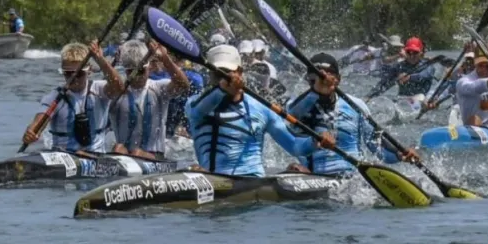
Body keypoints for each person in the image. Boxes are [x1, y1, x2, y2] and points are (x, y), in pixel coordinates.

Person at [186, 45, 330, 176]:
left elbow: (293, 145)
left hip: (252, 182)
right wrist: (221, 90)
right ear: (210, 75)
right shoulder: (194, 103)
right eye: (218, 75)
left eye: (228, 73)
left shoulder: (261, 108)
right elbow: (197, 111)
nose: (224, 79)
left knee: (294, 167)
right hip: (211, 181)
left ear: (240, 73)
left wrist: (315, 141)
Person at [286, 53, 418, 175]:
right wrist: (314, 141)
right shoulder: (298, 106)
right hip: (315, 177)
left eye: (328, 76)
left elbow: (377, 146)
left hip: (352, 179)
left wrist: (400, 154)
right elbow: (295, 146)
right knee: (293, 168)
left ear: (338, 79)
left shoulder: (356, 105)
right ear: (308, 80)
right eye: (315, 79)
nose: (322, 81)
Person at [23, 41, 123, 152]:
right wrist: (30, 133)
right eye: (68, 73)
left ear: (89, 70)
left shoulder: (99, 90)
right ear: (62, 71)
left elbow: (119, 87)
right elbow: (37, 124)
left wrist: (100, 59)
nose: (73, 78)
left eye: (78, 74)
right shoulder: (54, 97)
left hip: (96, 156)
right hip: (63, 156)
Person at [109, 40, 190, 159]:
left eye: (141, 71)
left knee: (136, 152)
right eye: (131, 71)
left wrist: (164, 58)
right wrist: (100, 59)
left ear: (150, 68)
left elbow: (183, 85)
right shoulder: (117, 92)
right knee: (118, 148)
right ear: (126, 71)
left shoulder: (158, 88)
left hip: (154, 156)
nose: (137, 76)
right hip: (123, 154)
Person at [371, 36, 438, 98]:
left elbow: (424, 75)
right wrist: (369, 97)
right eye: (409, 52)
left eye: (415, 52)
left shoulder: (428, 66)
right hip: (402, 102)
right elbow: (384, 84)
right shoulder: (398, 67)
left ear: (421, 53)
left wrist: (409, 77)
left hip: (422, 102)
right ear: (405, 52)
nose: (412, 56)